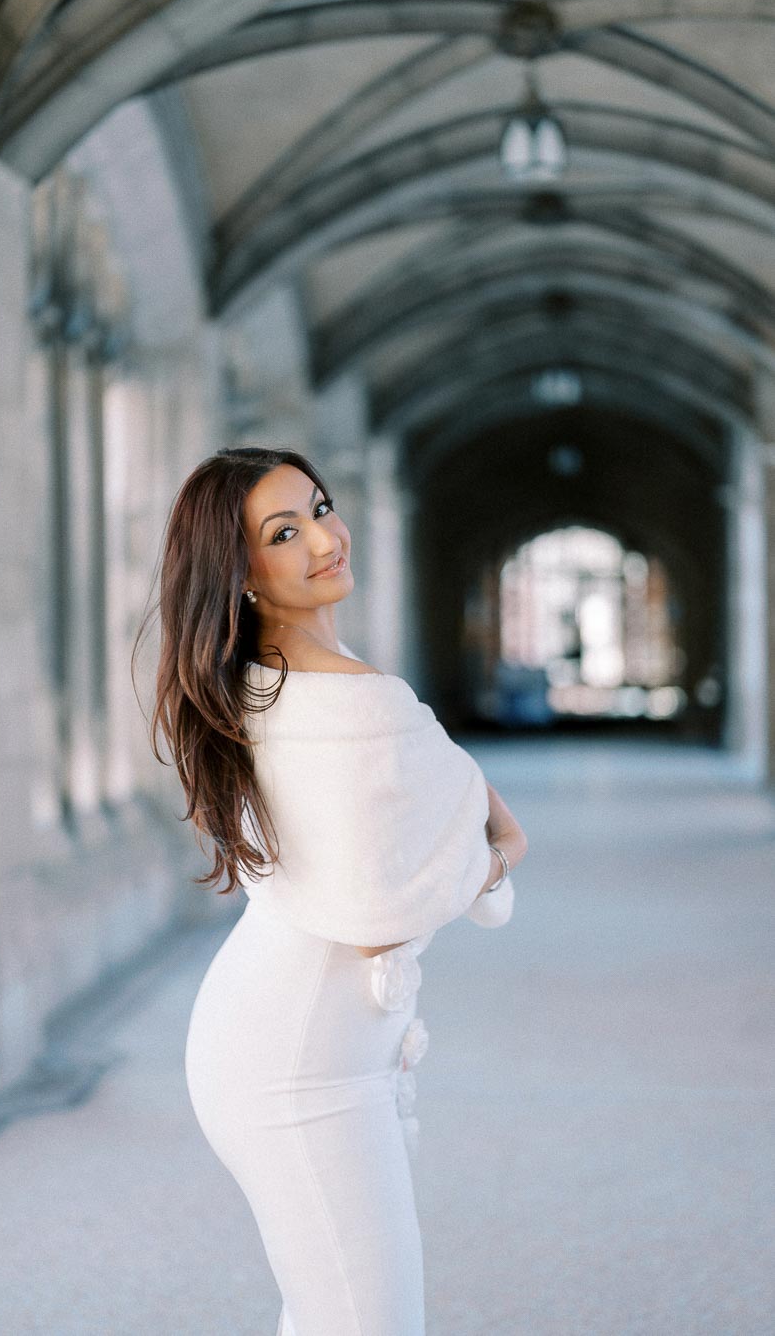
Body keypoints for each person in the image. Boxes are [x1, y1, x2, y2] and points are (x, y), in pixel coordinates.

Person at [133, 446, 528, 1336]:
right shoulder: (359, 701)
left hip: (275, 1036)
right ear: (240, 573)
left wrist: (465, 822)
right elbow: (380, 911)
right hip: (302, 1065)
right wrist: (501, 852)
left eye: (319, 508)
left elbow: (434, 811)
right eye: (284, 533)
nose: (325, 538)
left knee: (332, 1312)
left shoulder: (260, 688)